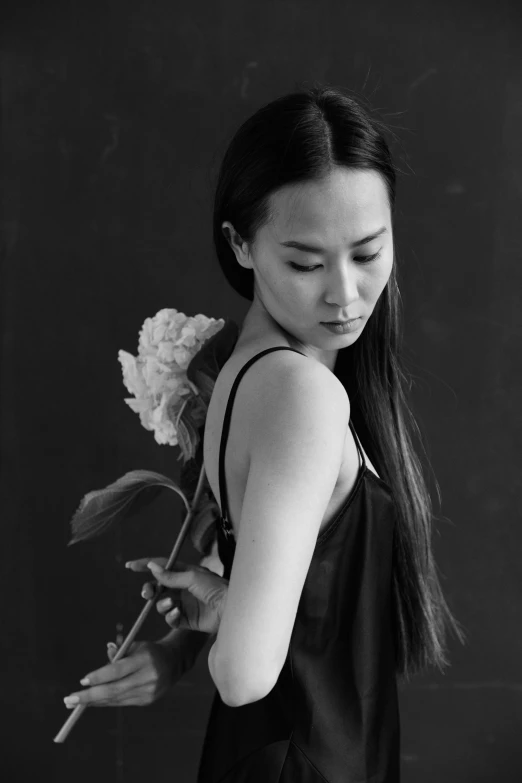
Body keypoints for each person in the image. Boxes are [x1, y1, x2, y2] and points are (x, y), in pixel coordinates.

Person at [63, 83, 466, 781]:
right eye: (306, 263)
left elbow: (263, 565)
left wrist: (189, 636)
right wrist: (219, 623)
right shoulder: (301, 394)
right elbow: (245, 675)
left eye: (368, 251)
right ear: (240, 244)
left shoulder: (241, 378)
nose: (343, 293)